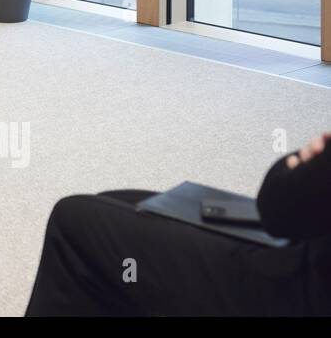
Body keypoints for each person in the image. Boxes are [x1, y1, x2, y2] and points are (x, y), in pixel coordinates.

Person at [24, 132, 331, 315]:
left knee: (74, 222)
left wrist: (298, 160)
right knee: (117, 204)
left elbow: (278, 209)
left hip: (301, 290)